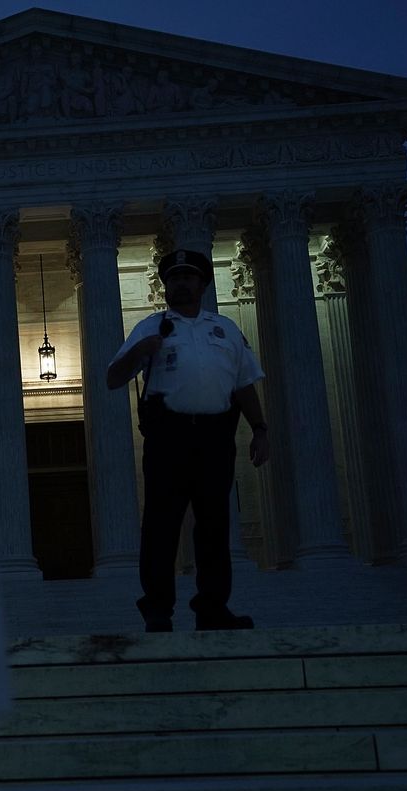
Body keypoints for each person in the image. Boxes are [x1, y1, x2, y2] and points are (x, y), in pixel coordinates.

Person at [106, 249, 270, 633]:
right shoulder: (151, 326)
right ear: (166, 286)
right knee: (161, 524)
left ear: (202, 284)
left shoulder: (226, 329)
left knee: (214, 525)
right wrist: (140, 353)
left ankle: (213, 607)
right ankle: (158, 608)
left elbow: (244, 382)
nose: (180, 283)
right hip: (168, 436)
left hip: (216, 436)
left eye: (188, 277)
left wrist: (260, 428)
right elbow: (114, 377)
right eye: (173, 278)